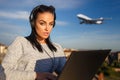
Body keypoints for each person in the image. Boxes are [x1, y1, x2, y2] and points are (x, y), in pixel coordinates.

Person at [1, 4, 66, 80]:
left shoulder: (57, 48)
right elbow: (2, 73)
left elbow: (66, 73)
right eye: (42, 23)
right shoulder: (21, 43)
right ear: (33, 23)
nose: (47, 28)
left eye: (51, 24)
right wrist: (36, 75)